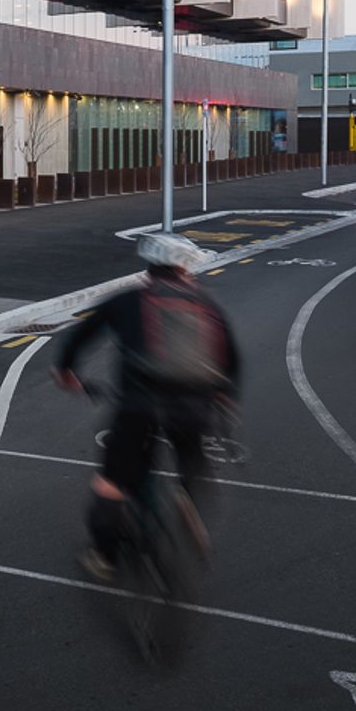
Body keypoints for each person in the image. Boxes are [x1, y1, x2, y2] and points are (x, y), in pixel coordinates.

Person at [54, 233, 240, 582]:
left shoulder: (128, 301)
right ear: (186, 268)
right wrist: (225, 400)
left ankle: (104, 557)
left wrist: (66, 374)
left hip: (140, 406)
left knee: (111, 483)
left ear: (150, 267)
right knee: (192, 461)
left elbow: (77, 340)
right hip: (194, 407)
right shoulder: (207, 305)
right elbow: (231, 362)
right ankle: (187, 500)